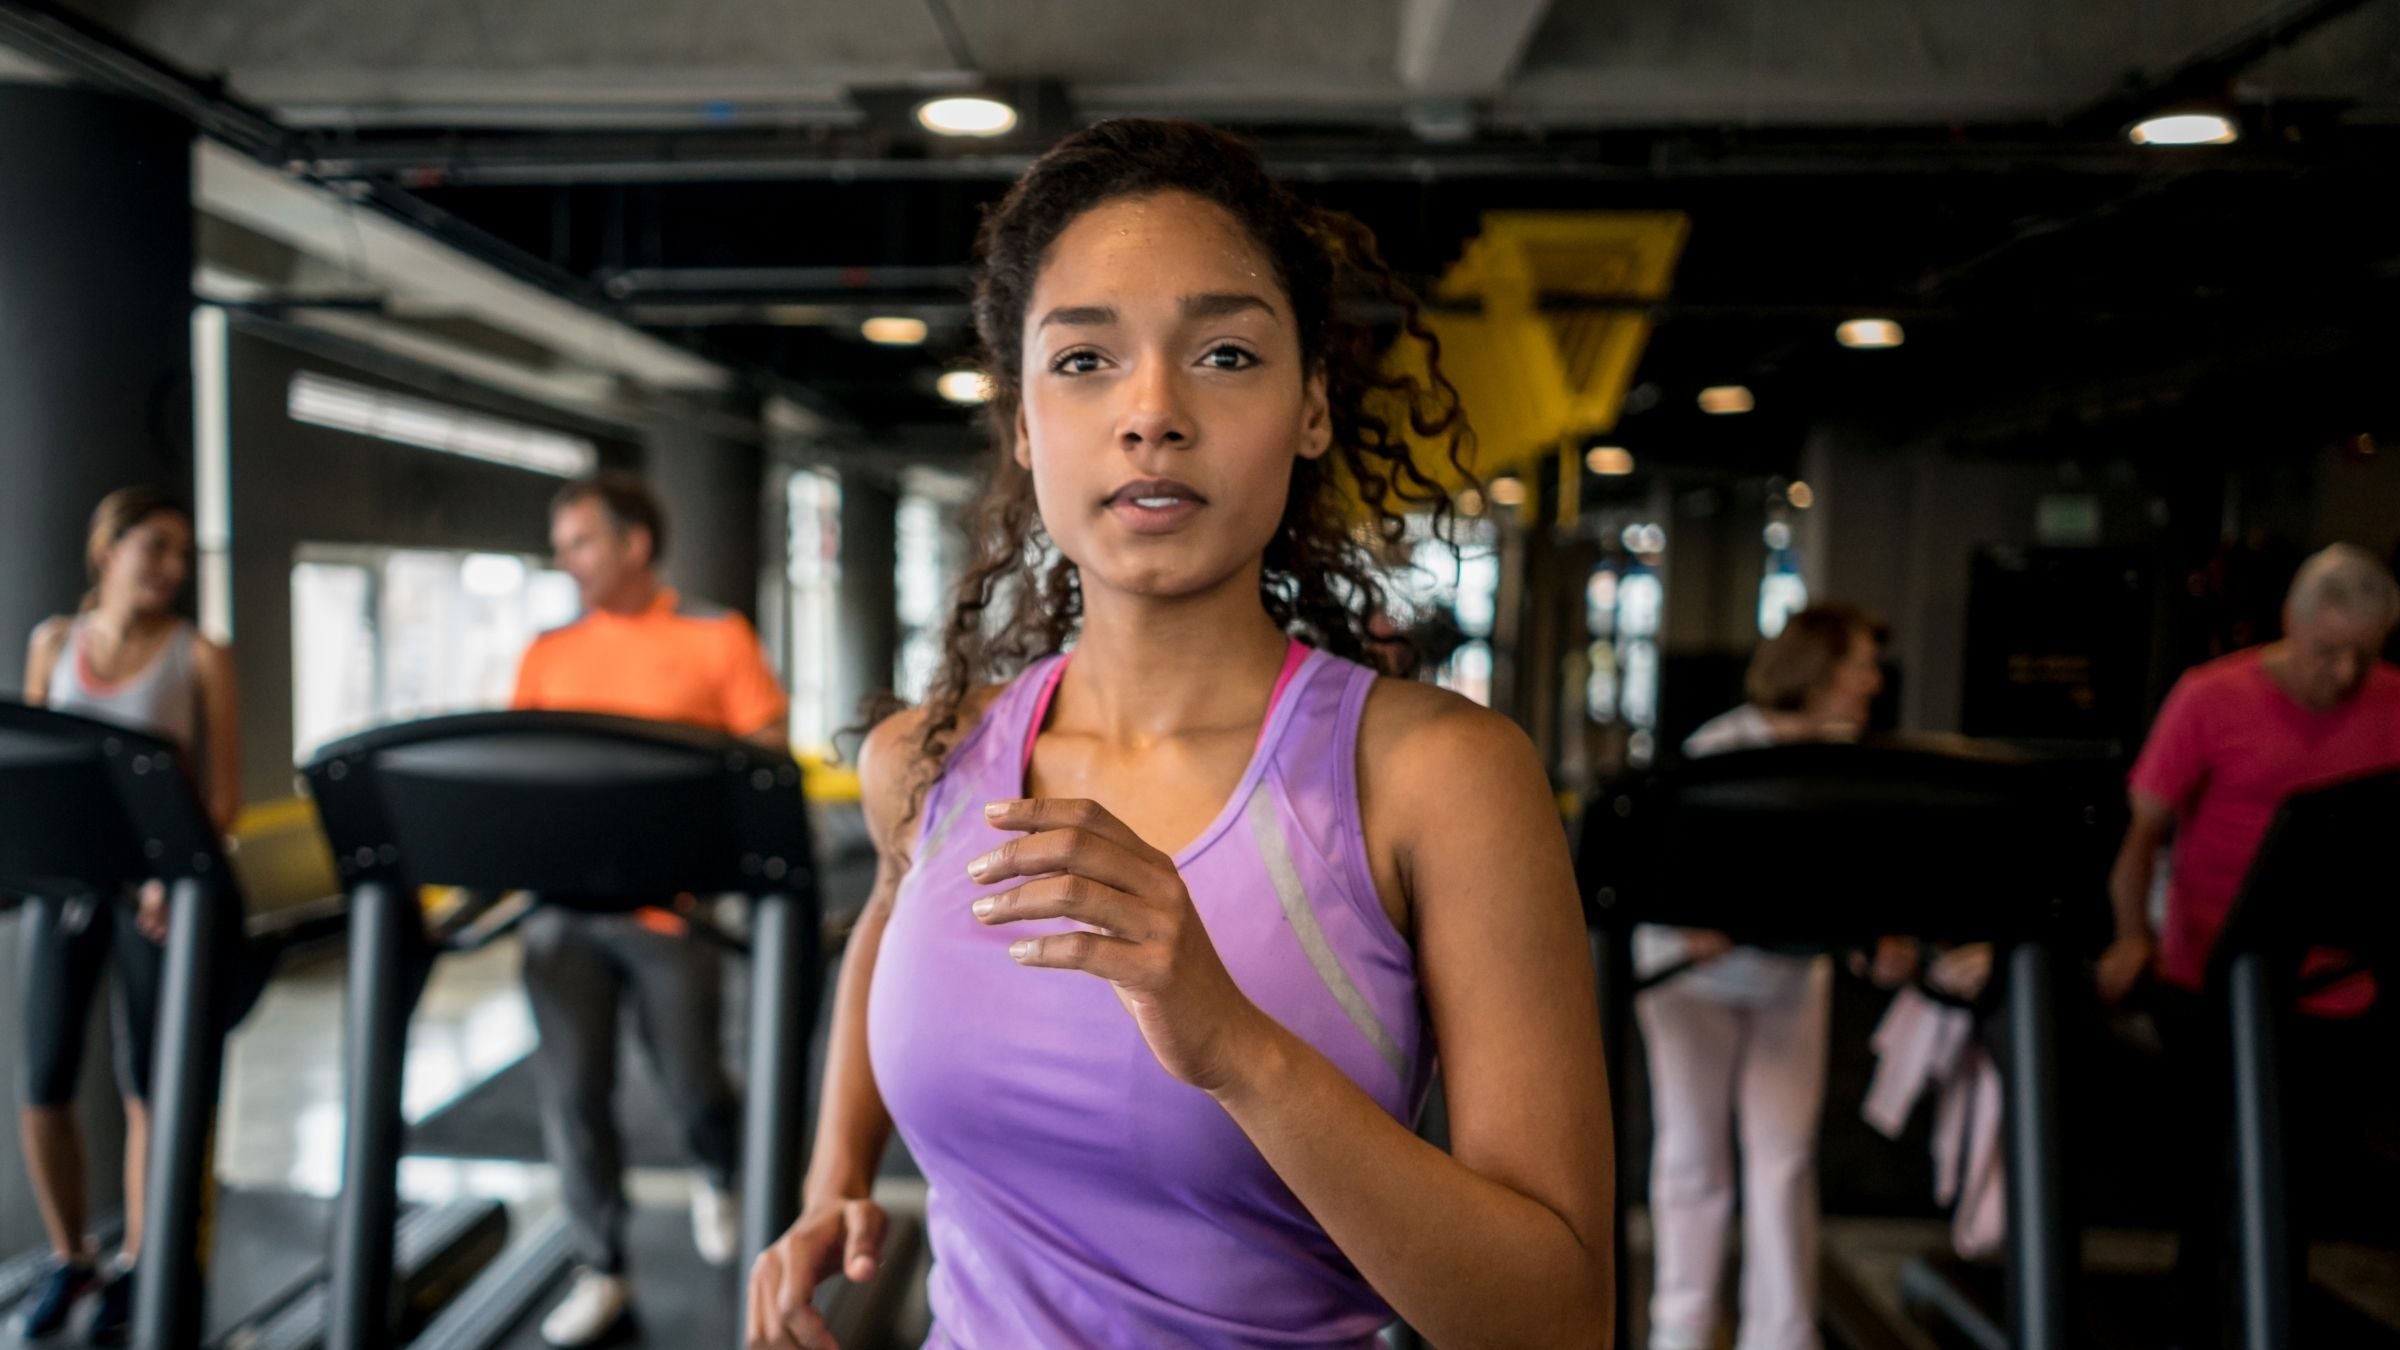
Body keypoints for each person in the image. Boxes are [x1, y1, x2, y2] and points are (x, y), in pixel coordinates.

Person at [745, 118, 1614, 1350]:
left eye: (1222, 353)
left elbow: (1559, 1320)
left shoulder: (1435, 781)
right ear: (1024, 426)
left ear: (1311, 408)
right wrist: (834, 1177)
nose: (1152, 412)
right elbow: (888, 933)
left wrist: (1235, 1049)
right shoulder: (929, 761)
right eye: (1086, 360)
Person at [509, 471, 790, 1347]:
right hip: (564, 912)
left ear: (635, 544)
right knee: (572, 1095)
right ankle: (603, 1267)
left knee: (694, 1082)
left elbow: (765, 751)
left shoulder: (713, 636)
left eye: (582, 543)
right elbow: (519, 770)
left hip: (673, 912)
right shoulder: (549, 650)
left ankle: (719, 1168)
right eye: (561, 549)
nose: (568, 563)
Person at [2101, 542, 2400, 1342]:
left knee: (2301, 1170)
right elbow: (2140, 841)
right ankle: (2198, 1307)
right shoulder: (2210, 697)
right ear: (2289, 627)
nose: (2342, 676)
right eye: (2326, 651)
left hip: (2332, 984)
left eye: (2362, 656)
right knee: (2212, 1164)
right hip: (2209, 974)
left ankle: (2275, 1310)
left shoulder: (2394, 704)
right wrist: (2133, 938)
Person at [1633, 603, 1904, 1350]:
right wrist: (1696, 917)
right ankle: (1680, 1329)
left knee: (1783, 1160)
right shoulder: (1722, 749)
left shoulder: (1847, 757)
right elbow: (1664, 866)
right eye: (1861, 665)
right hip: (1691, 980)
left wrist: (1876, 936)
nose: (1873, 682)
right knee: (1694, 1156)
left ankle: (1781, 1335)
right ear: (1819, 670)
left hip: (1786, 979)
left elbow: (1851, 877)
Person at [16, 487, 241, 1344]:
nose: (171, 570)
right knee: (42, 1082)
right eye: (156, 548)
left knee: (148, 1087)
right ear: (107, 549)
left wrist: (166, 874)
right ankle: (73, 1257)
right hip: (67, 888)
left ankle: (145, 1262)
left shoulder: (200, 655)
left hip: (155, 898)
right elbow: (35, 768)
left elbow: (219, 801)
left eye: (183, 555)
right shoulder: (54, 644)